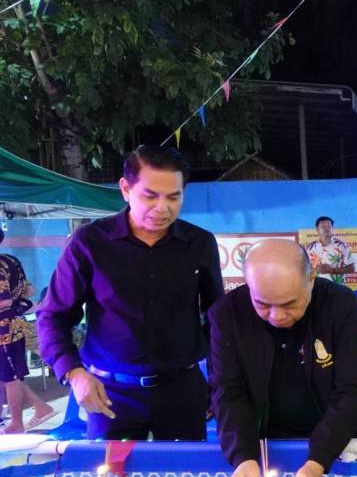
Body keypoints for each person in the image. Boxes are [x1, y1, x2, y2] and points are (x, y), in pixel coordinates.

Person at [37, 145, 223, 440]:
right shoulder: (90, 242)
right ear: (125, 188)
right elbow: (53, 316)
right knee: (109, 471)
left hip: (182, 391)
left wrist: (219, 380)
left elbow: (217, 318)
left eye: (173, 197)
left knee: (185, 470)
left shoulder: (199, 243)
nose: (162, 208)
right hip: (109, 393)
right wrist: (73, 373)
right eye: (150, 196)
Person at [209, 239, 357, 477]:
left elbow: (350, 389)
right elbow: (228, 392)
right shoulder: (227, 315)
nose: (276, 316)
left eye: (289, 304)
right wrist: (243, 457)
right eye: (262, 304)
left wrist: (318, 461)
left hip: (342, 439)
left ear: (311, 278)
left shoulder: (340, 305)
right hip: (269, 443)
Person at [0, 231, 57, 434]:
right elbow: (28, 291)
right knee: (6, 375)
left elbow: (4, 301)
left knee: (11, 377)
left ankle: (16, 423)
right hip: (15, 324)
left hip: (5, 330)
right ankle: (40, 407)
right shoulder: (10, 260)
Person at [306, 216, 355, 285]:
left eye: (329, 226)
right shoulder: (310, 248)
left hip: (337, 287)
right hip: (317, 287)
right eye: (323, 226)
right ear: (317, 229)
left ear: (332, 228)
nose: (327, 229)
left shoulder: (342, 246)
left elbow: (352, 268)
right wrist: (315, 269)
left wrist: (332, 270)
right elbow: (304, 270)